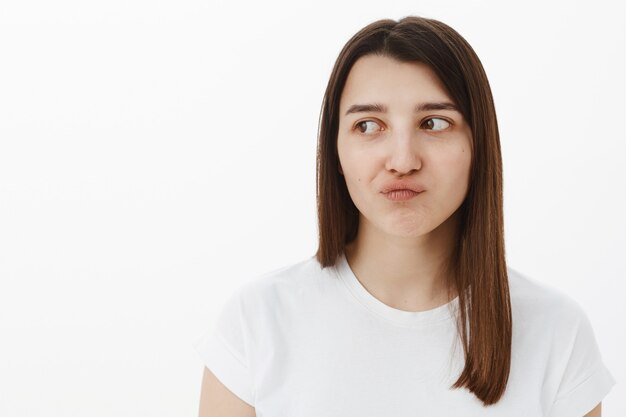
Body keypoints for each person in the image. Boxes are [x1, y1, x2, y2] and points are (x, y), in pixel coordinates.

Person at [194, 15, 616, 417]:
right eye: (368, 125)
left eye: (433, 123)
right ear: (335, 150)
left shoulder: (557, 335)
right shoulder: (257, 326)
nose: (402, 160)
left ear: (479, 144)